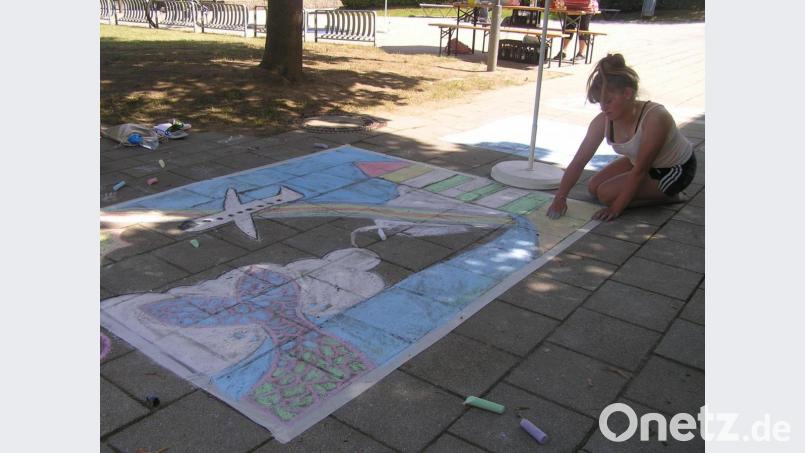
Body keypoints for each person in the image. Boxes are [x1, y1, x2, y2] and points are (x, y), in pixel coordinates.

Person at [546, 53, 696, 221]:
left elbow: (640, 170)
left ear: (628, 93)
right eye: (600, 102)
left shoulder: (655, 118)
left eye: (608, 101)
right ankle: (644, 193)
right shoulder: (603, 120)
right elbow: (579, 161)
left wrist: (616, 208)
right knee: (593, 187)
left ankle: (672, 196)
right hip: (639, 161)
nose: (604, 108)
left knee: (606, 195)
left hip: (675, 169)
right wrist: (560, 197)